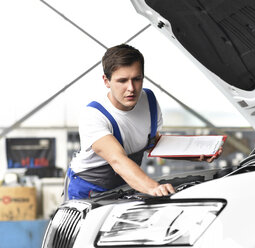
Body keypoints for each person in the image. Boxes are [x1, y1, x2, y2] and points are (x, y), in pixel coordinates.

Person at [66, 44, 222, 200]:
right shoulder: (94, 115)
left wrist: (194, 154)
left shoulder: (149, 101)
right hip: (88, 189)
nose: (131, 88)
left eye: (137, 79)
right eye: (122, 81)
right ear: (106, 81)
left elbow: (151, 143)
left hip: (127, 183)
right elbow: (117, 160)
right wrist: (154, 188)